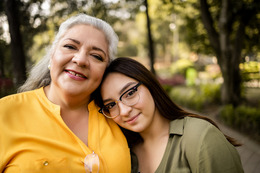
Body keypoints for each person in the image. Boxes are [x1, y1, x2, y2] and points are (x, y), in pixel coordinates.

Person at [0, 14, 131, 173]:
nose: (81, 60)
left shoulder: (121, 117)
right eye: (70, 46)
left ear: (105, 70)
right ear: (52, 55)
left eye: (96, 56)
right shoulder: (5, 113)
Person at [94, 57, 244, 173]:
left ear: (149, 85)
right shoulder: (125, 153)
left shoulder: (200, 137)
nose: (124, 111)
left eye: (130, 93)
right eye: (111, 105)